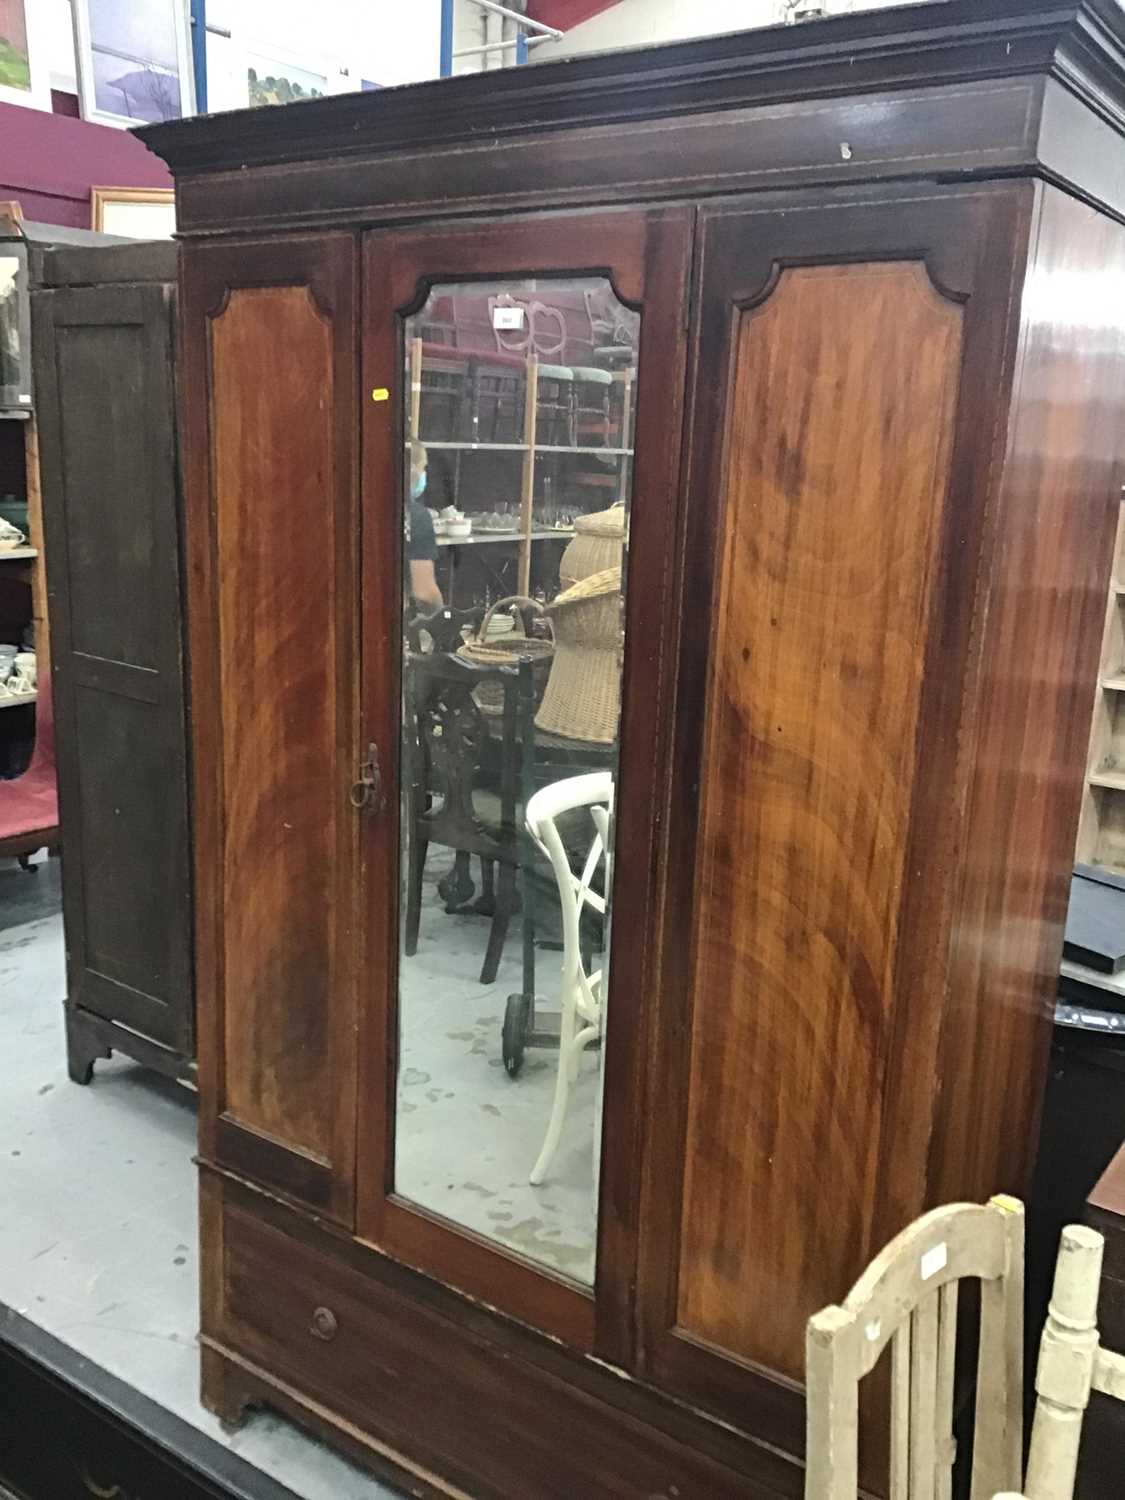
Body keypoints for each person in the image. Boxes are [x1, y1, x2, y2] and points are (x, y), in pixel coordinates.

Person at [406, 441, 443, 611]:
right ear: (411, 469)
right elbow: (425, 592)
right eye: (423, 467)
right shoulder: (416, 516)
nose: (423, 473)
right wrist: (444, 624)